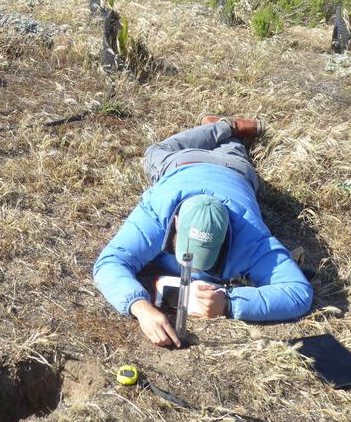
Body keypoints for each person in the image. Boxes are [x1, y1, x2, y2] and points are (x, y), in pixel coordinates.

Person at [93, 115, 313, 347]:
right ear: (176, 222)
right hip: (180, 163)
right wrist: (140, 308)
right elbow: (109, 263)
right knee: (154, 153)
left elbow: (298, 292)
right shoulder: (156, 213)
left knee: (232, 150)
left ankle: (225, 133)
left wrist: (229, 303)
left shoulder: (250, 238)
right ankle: (225, 126)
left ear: (227, 235)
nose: (192, 267)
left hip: (233, 169)